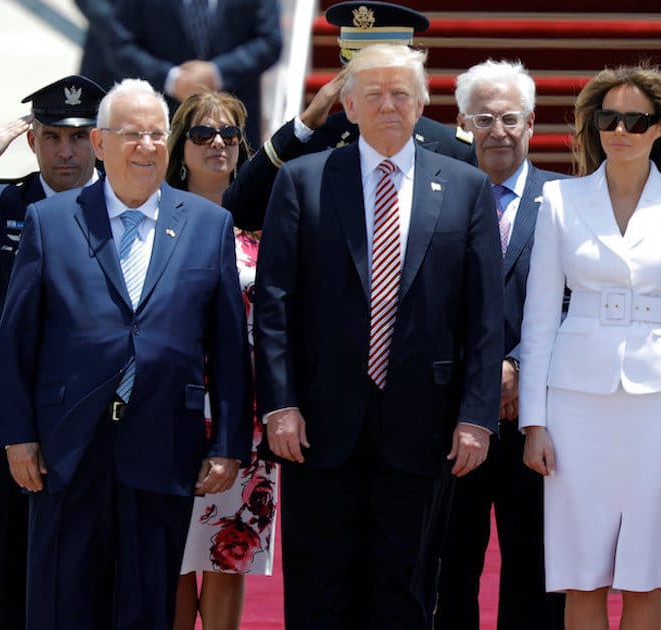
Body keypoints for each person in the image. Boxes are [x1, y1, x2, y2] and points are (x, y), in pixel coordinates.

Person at [0, 78, 250, 629]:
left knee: (147, 607)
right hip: (64, 449)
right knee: (61, 605)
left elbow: (226, 348)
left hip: (163, 445)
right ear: (101, 144)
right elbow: (15, 342)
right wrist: (16, 436)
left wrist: (227, 444)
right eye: (131, 134)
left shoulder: (208, 225)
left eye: (156, 134)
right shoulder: (51, 221)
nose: (147, 146)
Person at [254, 43, 503, 628]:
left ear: (421, 104)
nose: (388, 105)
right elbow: (275, 305)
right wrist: (280, 404)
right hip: (317, 425)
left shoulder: (466, 187)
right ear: (348, 105)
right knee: (321, 588)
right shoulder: (302, 180)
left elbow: (483, 315)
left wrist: (476, 414)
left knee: (406, 587)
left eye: (400, 94)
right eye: (374, 94)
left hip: (425, 425)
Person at [520, 65, 661, 630]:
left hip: (660, 403)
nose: (621, 129)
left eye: (636, 119)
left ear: (659, 128)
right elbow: (538, 319)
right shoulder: (559, 200)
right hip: (574, 401)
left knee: (646, 575)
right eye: (610, 118)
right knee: (581, 572)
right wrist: (534, 421)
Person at [0, 73, 106, 630]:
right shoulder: (4, 203)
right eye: (51, 137)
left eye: (77, 137)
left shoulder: (127, 205)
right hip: (18, 420)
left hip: (101, 420)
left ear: (98, 140)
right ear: (32, 142)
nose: (65, 151)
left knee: (96, 573)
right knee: (11, 574)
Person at [435, 59, 565, 630]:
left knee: (534, 575)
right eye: (483, 118)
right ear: (464, 124)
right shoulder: (438, 196)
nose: (498, 131)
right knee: (449, 569)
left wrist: (515, 366)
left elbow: (573, 301)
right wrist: (480, 379)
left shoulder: (566, 201)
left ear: (532, 122)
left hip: (539, 418)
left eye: (510, 117)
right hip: (454, 415)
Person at [163, 91, 277, 630]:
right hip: (176, 408)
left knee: (232, 554)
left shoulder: (266, 222)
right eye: (203, 134)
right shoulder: (159, 216)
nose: (217, 144)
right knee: (176, 558)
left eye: (229, 135)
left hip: (248, 414)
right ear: (179, 147)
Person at [222, 1, 474, 232]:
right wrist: (302, 126)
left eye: (395, 86)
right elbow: (243, 210)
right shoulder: (319, 141)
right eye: (367, 81)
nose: (385, 104)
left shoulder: (451, 148)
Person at [107, 0, 281, 143]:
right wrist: (172, 79)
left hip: (236, 128)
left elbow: (270, 41)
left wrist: (217, 73)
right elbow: (120, 45)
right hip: (163, 127)